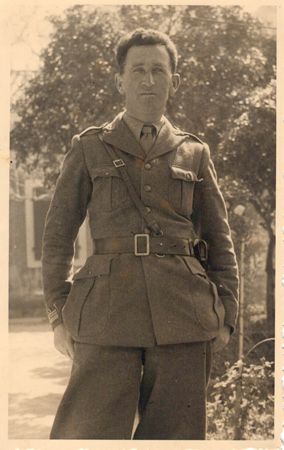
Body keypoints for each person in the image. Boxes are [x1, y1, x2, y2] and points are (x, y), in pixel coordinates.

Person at [42, 28, 239, 440]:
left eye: (158, 70)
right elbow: (57, 237)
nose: (148, 80)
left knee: (176, 437)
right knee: (87, 435)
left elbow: (220, 241)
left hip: (183, 315)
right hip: (106, 315)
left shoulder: (194, 153)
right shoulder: (89, 148)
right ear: (120, 80)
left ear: (174, 81)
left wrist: (227, 317)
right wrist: (59, 314)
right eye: (138, 70)